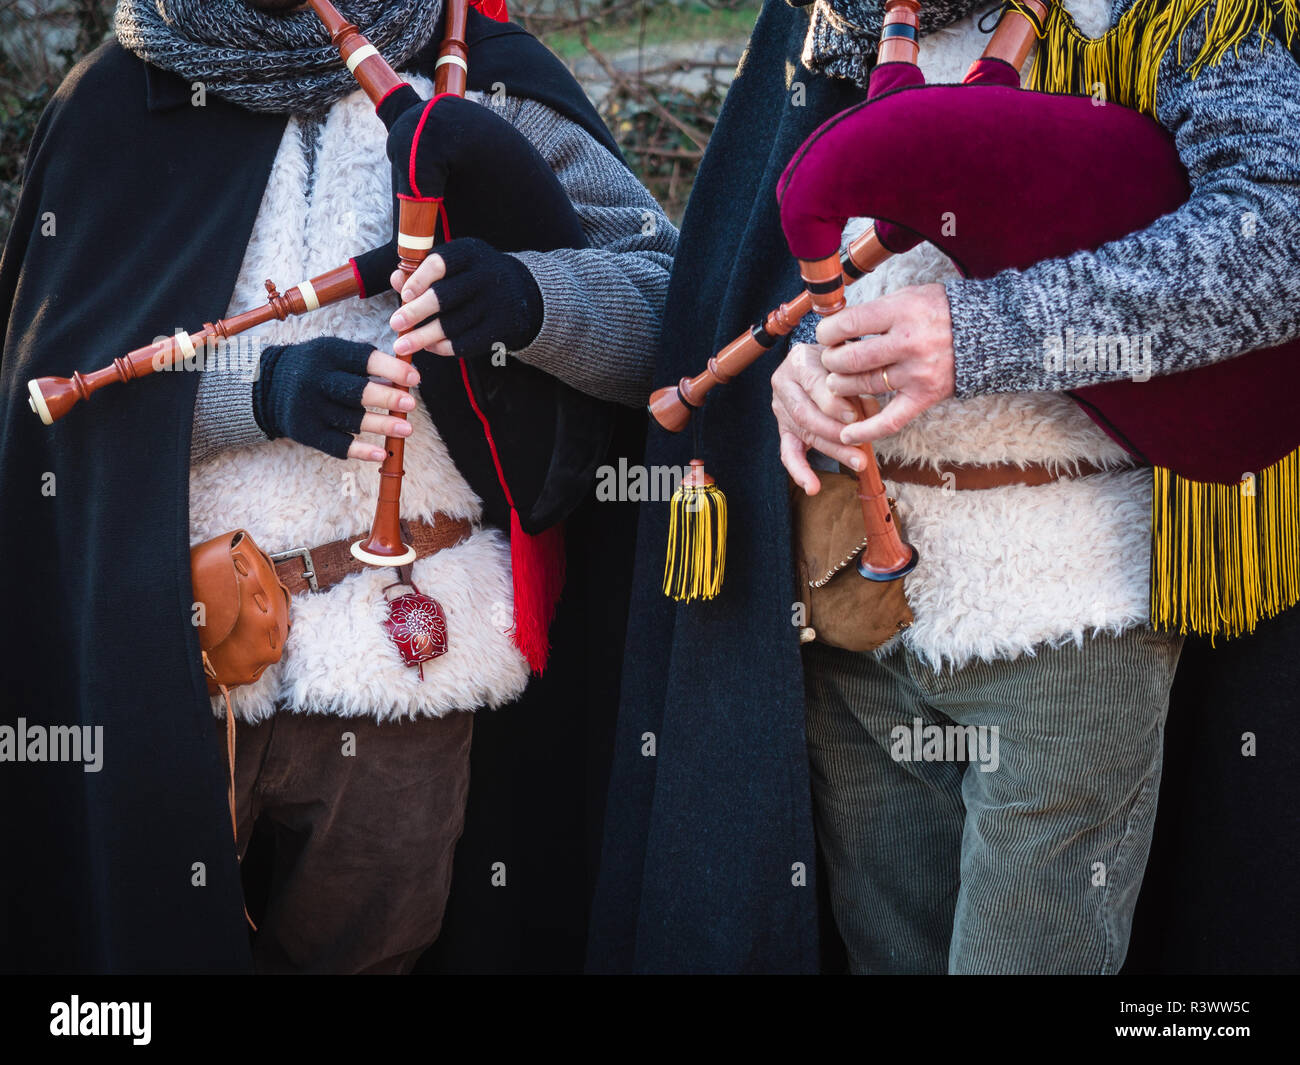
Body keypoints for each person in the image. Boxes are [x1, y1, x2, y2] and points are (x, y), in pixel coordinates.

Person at [589, 0, 1300, 974]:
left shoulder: (1169, 15)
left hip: (1063, 610)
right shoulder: (827, 26)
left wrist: (982, 335)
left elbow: (1276, 236)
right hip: (852, 604)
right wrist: (799, 365)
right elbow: (796, 266)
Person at [0, 0, 673, 973]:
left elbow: (670, 311)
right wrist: (258, 395)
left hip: (406, 654)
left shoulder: (485, 74)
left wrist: (532, 300)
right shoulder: (119, 95)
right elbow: (52, 405)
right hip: (170, 655)